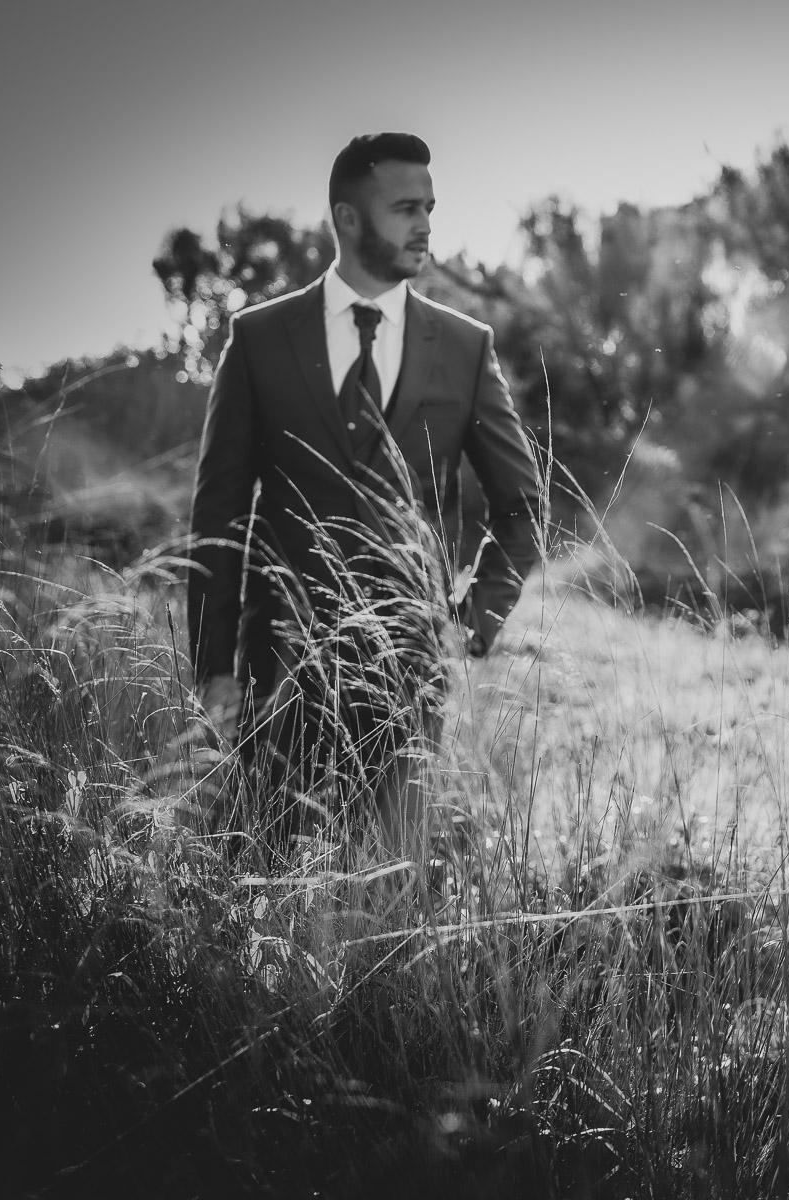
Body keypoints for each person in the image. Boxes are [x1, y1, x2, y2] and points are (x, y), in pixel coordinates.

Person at [187, 132, 543, 851]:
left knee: (388, 894)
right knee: (264, 873)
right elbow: (217, 514)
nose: (425, 225)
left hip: (408, 680)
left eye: (430, 208)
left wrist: (469, 623)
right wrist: (214, 666)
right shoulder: (258, 339)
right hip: (275, 670)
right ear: (347, 219)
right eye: (405, 207)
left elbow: (522, 506)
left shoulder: (466, 347)